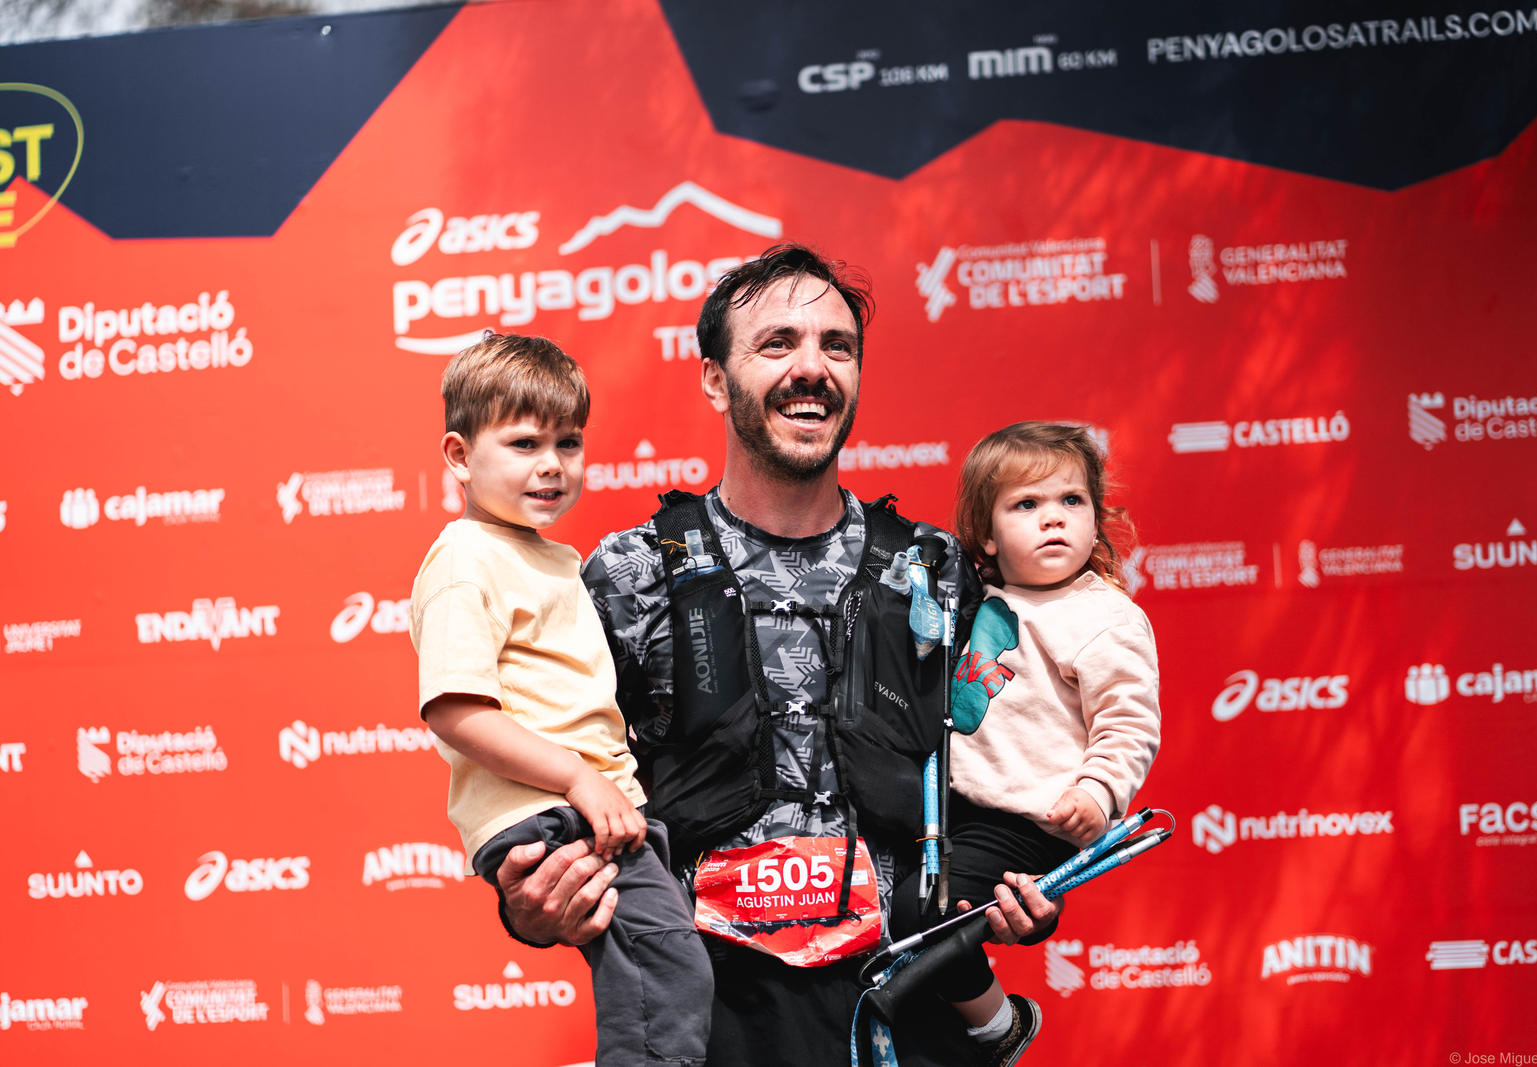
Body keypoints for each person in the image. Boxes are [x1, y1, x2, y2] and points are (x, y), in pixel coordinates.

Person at [492, 246, 1067, 1067]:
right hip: (709, 1027)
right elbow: (545, 786)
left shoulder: (934, 572)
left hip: (904, 1020)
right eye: (777, 343)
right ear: (715, 380)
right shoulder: (630, 573)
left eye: (837, 346)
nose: (813, 368)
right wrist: (530, 900)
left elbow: (1008, 771)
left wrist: (1017, 885)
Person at [408, 333, 712, 1067]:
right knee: (669, 974)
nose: (551, 463)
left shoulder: (545, 555)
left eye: (568, 442)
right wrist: (580, 778)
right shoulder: (465, 558)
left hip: (594, 802)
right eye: (524, 443)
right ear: (458, 456)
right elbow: (456, 711)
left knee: (667, 973)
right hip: (552, 810)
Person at [931, 420, 1163, 1064]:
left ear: (1096, 519)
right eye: (1026, 504)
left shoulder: (1104, 616)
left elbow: (1128, 722)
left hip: (1028, 823)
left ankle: (998, 1027)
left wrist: (1098, 792)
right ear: (986, 534)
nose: (1053, 518)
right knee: (890, 905)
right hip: (955, 811)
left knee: (929, 913)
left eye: (1071, 501)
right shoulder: (970, 600)